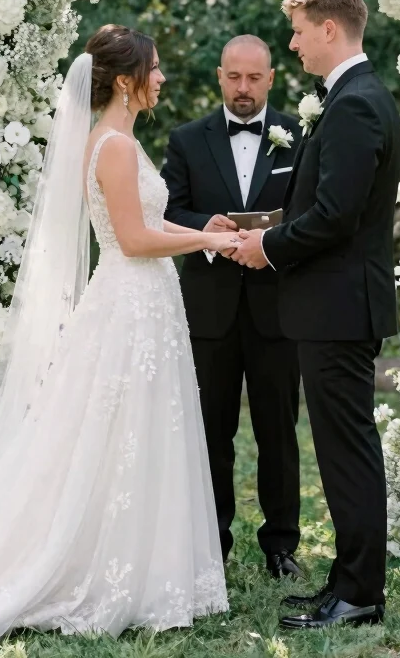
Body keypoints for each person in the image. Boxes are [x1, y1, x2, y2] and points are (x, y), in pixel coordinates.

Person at [0, 25, 235, 638]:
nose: (161, 79)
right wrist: (206, 240)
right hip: (130, 302)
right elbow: (131, 240)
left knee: (129, 432)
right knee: (119, 431)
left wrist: (203, 227)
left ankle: (136, 562)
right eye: (154, 69)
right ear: (126, 81)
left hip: (142, 299)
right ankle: (101, 569)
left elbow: (143, 224)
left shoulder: (115, 138)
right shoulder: (116, 146)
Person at [232, 0, 400, 631]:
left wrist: (267, 247)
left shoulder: (356, 105)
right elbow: (329, 208)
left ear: (330, 29)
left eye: (300, 30)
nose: (293, 43)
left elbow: (335, 217)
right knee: (340, 449)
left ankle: (359, 594)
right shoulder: (352, 99)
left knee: (347, 450)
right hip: (332, 305)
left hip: (337, 308)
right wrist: (268, 230)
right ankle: (348, 581)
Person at [161, 35, 303, 578]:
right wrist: (204, 225)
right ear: (220, 76)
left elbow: (313, 207)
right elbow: (167, 207)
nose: (243, 89)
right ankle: (210, 542)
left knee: (279, 433)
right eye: (234, 78)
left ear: (270, 79)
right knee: (211, 432)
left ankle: (281, 545)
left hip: (277, 306)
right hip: (210, 309)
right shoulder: (186, 140)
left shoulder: (300, 136)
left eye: (254, 78)